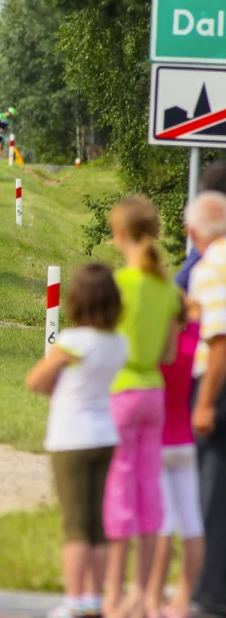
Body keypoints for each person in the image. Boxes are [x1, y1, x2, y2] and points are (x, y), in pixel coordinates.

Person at [26, 262, 127, 618]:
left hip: (71, 437)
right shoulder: (119, 343)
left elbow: (36, 381)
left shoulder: (71, 342)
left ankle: (73, 601)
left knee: (75, 523)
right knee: (98, 524)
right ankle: (94, 600)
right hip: (106, 435)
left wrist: (58, 379)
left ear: (77, 300)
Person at [103, 196, 183, 618]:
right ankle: (143, 594)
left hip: (122, 391)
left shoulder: (120, 284)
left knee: (120, 490)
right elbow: (169, 352)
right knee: (150, 491)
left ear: (119, 234)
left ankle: (114, 596)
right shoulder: (167, 288)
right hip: (154, 393)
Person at [145, 301, 205, 618]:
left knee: (164, 525)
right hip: (185, 440)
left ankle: (153, 599)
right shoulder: (190, 344)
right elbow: (197, 315)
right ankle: (183, 600)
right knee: (192, 523)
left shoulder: (156, 352)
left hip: (159, 442)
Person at [186, 190, 226, 617]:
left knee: (213, 490)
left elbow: (220, 340)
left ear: (193, 230)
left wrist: (205, 403)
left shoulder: (211, 267)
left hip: (217, 385)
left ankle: (211, 592)